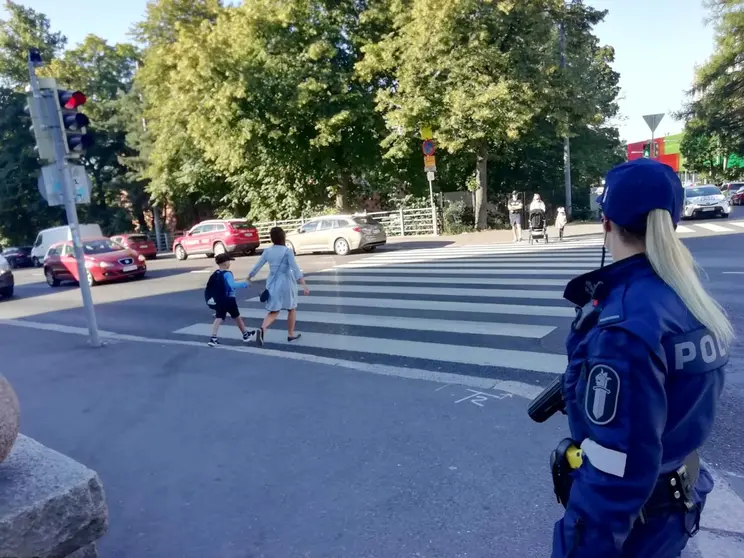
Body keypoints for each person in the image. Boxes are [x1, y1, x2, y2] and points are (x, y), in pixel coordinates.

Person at [550, 158, 733, 557]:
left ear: (606, 224)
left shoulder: (625, 327)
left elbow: (616, 469)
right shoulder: (690, 300)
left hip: (635, 528)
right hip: (675, 507)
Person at [248, 226, 309, 345]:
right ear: (283, 237)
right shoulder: (287, 251)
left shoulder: (267, 251)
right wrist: (303, 284)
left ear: (272, 238)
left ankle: (262, 329)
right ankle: (290, 334)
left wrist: (249, 277)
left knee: (274, 311)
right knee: (291, 308)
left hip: (273, 283)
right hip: (286, 282)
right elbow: (295, 268)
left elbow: (257, 266)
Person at [206, 253, 254, 347]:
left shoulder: (216, 273)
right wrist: (245, 284)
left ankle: (213, 338)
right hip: (229, 299)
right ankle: (245, 335)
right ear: (224, 263)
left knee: (219, 318)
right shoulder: (227, 274)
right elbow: (232, 285)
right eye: (229, 261)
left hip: (219, 299)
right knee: (237, 316)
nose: (230, 263)